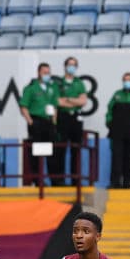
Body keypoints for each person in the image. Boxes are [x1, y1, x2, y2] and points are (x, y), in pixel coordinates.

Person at [19, 62, 59, 186]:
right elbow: (23, 106)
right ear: (38, 73)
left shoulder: (52, 88)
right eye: (44, 72)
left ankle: (54, 180)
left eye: (48, 72)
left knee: (52, 152)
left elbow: (55, 106)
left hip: (48, 122)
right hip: (36, 121)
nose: (47, 75)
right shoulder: (31, 88)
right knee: (37, 152)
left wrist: (54, 122)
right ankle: (38, 180)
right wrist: (30, 121)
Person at [55, 56, 88, 187]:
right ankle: (60, 179)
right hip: (62, 118)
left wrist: (68, 100)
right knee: (60, 149)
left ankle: (75, 179)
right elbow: (57, 101)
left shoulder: (79, 83)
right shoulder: (58, 83)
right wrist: (74, 101)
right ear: (65, 66)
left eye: (74, 65)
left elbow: (83, 101)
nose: (71, 67)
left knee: (76, 149)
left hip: (76, 119)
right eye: (69, 64)